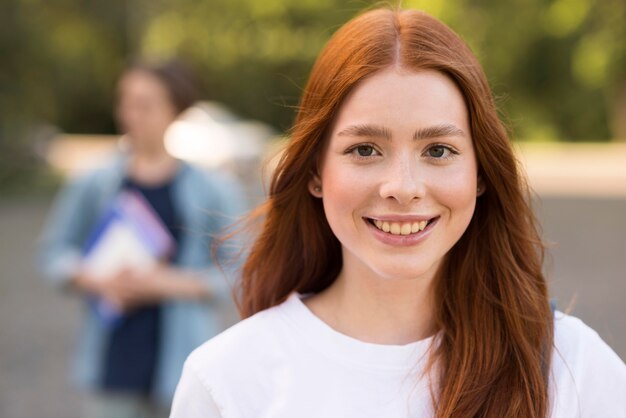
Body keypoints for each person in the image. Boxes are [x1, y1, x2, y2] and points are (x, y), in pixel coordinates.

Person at [169, 8, 626, 418]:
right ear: (314, 172)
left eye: (439, 150)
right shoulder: (226, 381)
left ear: (481, 173)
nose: (403, 187)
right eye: (365, 149)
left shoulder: (573, 368)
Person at [38, 59, 245, 417]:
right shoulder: (93, 182)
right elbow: (54, 252)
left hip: (183, 362)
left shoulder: (213, 189)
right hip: (111, 362)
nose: (130, 114)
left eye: (145, 104)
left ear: (175, 111)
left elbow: (244, 270)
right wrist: (95, 279)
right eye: (125, 101)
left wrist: (170, 284)